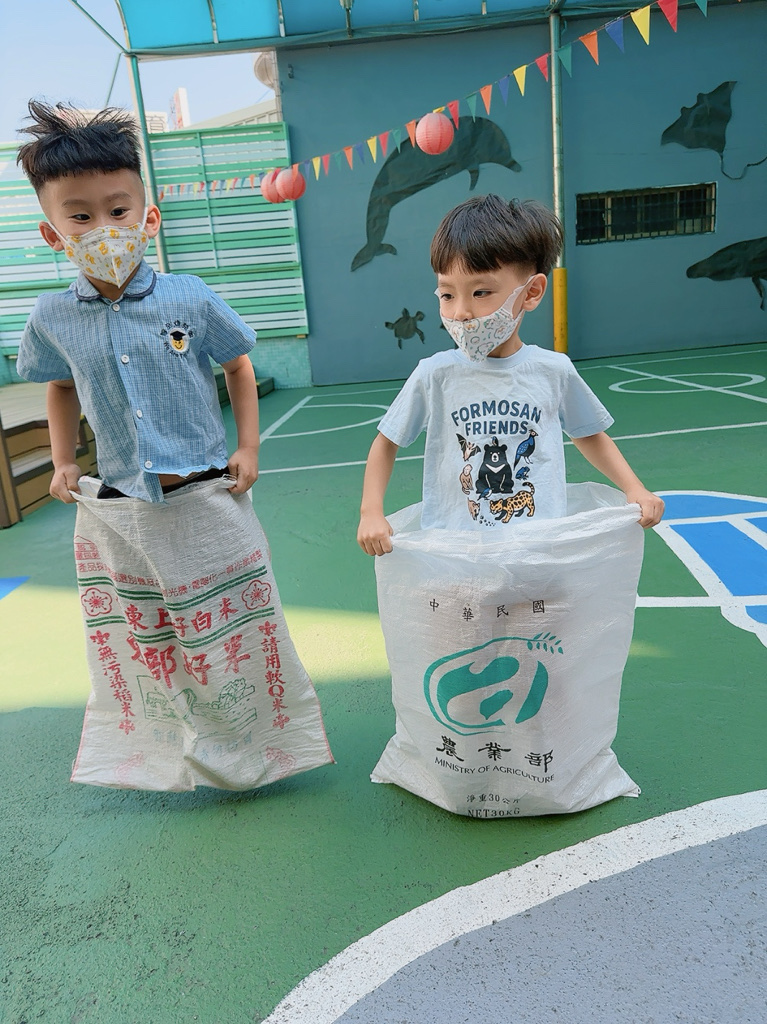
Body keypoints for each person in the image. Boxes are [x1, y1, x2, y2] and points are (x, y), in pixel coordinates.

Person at [15, 101, 333, 791]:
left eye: (118, 210)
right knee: (151, 635)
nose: (104, 229)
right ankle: (173, 751)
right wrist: (64, 460)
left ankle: (267, 744)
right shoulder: (53, 315)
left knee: (237, 625)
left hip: (208, 493)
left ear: (148, 217)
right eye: (80, 216)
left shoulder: (187, 296)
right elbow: (60, 387)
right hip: (124, 506)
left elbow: (238, 366)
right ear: (51, 232)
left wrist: (249, 448)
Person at [358, 194, 664, 554]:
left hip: (537, 545)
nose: (461, 312)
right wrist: (370, 512)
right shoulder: (434, 375)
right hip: (459, 550)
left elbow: (589, 434)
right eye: (447, 295)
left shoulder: (552, 371)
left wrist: (634, 488)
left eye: (481, 292)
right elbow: (386, 442)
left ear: (531, 292)